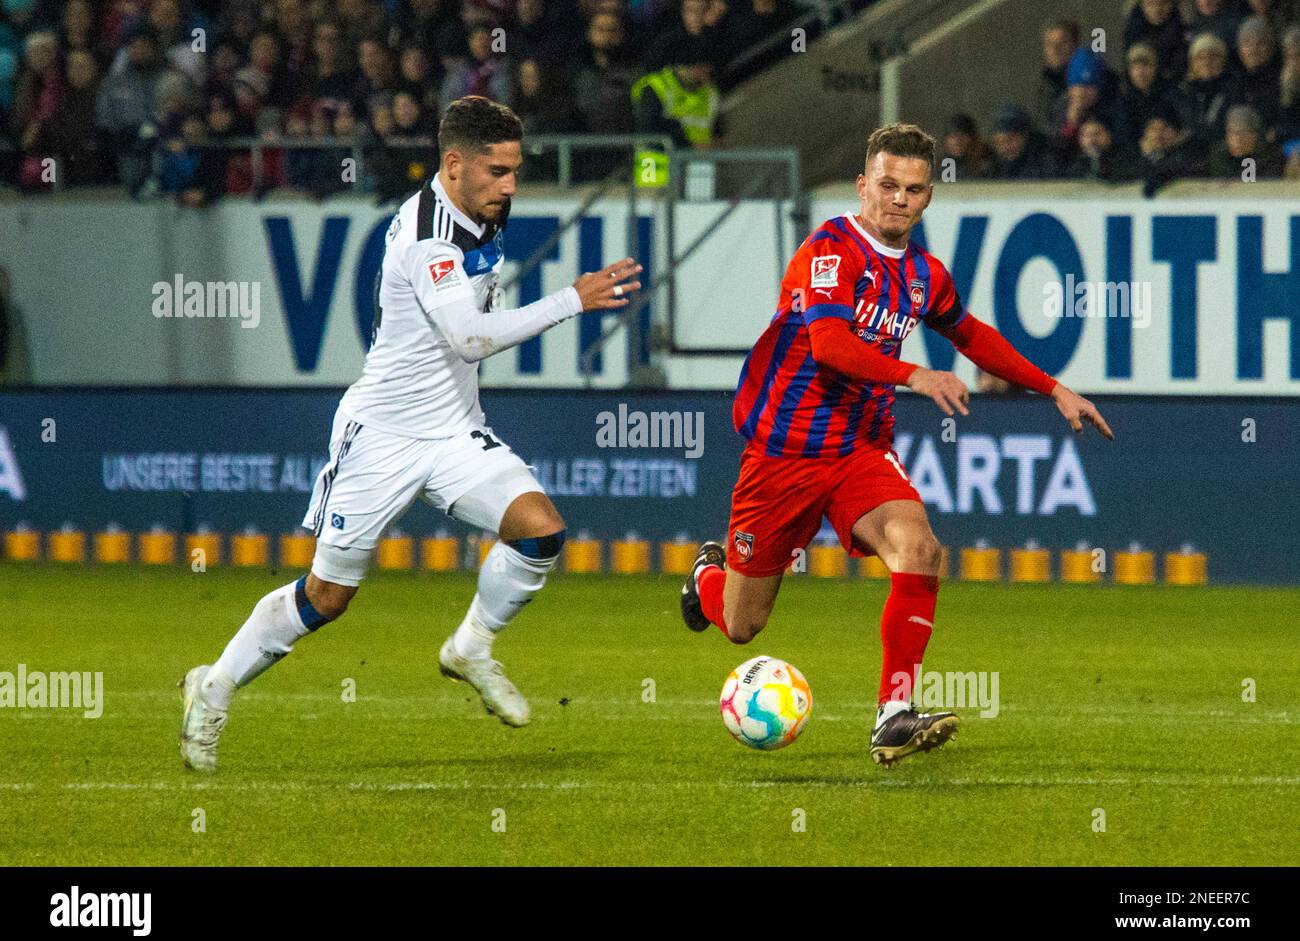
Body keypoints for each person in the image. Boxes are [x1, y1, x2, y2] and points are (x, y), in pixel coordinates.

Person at [179, 96, 643, 772]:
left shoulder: (480, 210)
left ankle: (470, 648)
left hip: (455, 432)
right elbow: (469, 336)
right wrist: (572, 300)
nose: (511, 186)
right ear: (454, 165)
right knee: (327, 597)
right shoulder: (428, 236)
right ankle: (212, 688)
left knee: (540, 530)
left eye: (516, 170)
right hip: (383, 435)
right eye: (498, 172)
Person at [678, 123, 1113, 768]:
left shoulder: (922, 274)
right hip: (784, 453)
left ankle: (892, 713)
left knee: (921, 547)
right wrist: (914, 373)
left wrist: (1052, 388)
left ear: (928, 197)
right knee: (743, 625)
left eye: (912, 189)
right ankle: (705, 577)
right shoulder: (829, 251)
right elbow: (829, 345)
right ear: (863, 186)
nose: (898, 199)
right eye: (886, 185)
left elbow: (971, 334)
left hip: (857, 447)